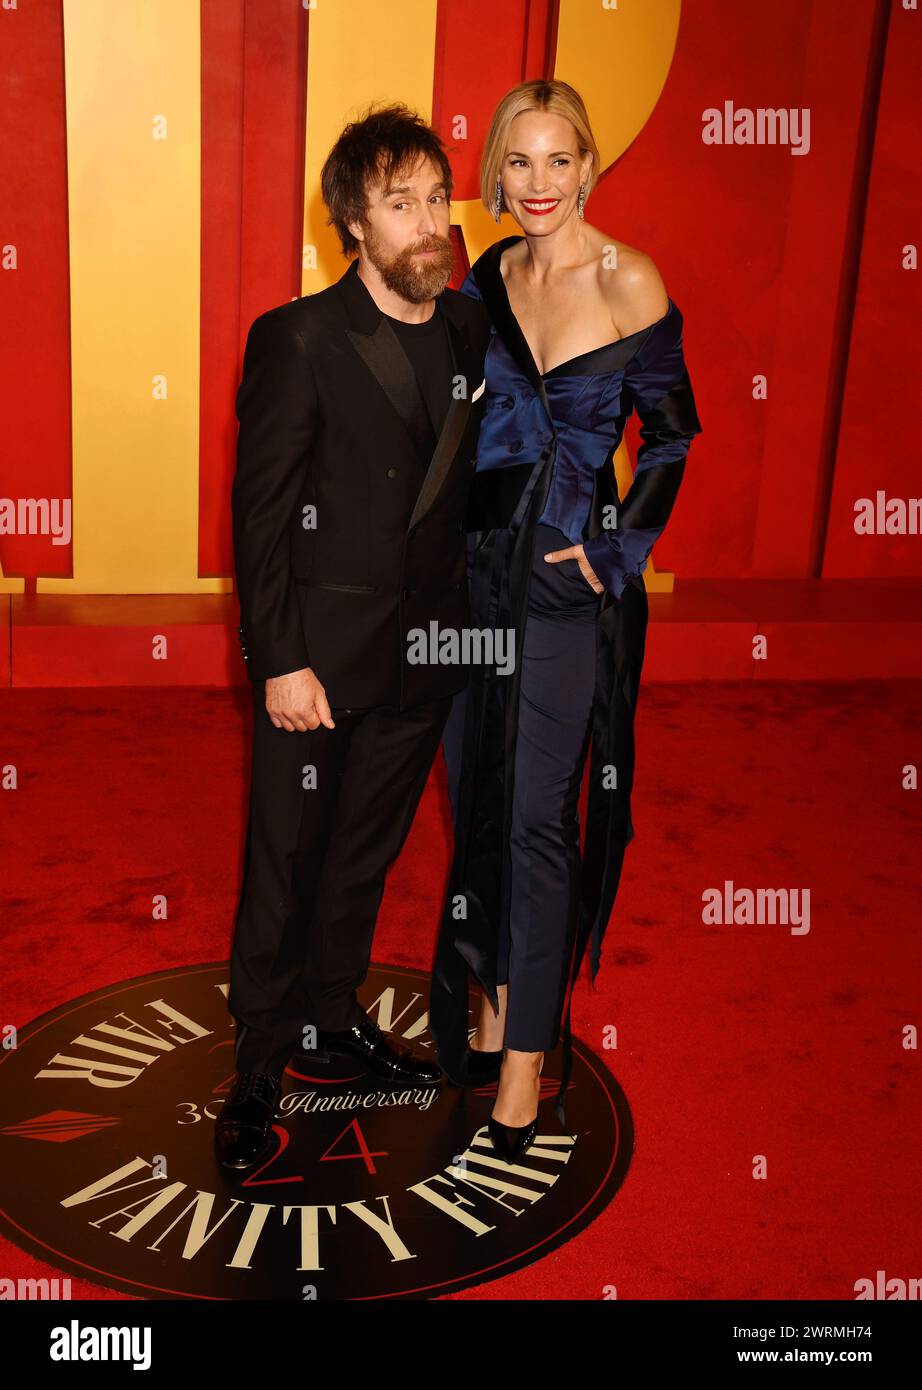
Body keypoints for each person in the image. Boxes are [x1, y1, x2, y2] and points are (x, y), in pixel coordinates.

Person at [429, 79, 703, 1163]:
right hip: (476, 579)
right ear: (496, 170)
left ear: (587, 166)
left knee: (541, 819)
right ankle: (494, 994)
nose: (537, 183)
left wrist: (612, 551)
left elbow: (674, 434)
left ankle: (528, 1062)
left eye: (558, 161)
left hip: (564, 589)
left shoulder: (627, 278)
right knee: (478, 797)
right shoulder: (490, 273)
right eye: (518, 161)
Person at [216, 104, 491, 1172]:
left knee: (365, 852)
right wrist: (279, 656)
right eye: (398, 203)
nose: (427, 221)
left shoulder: (465, 328)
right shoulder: (299, 338)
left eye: (435, 198)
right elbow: (262, 512)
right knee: (285, 854)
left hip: (426, 651)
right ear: (351, 224)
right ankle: (256, 1061)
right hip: (317, 660)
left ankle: (330, 1020)